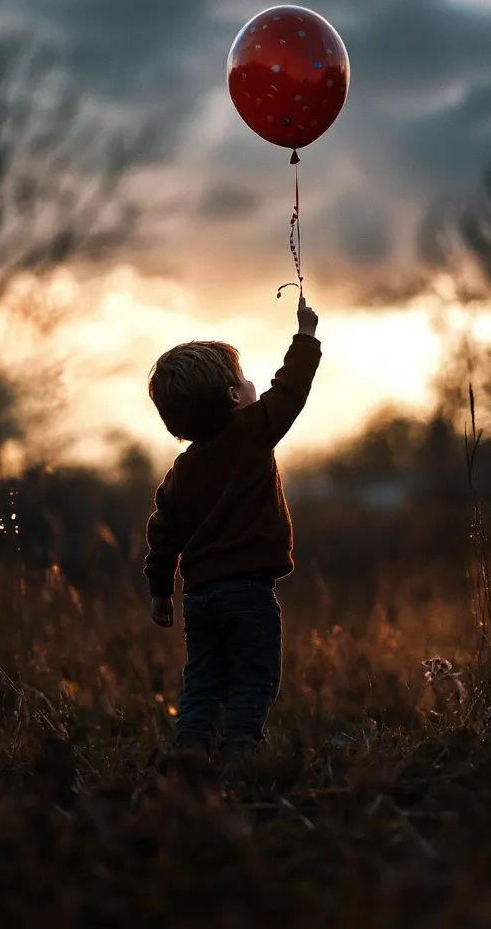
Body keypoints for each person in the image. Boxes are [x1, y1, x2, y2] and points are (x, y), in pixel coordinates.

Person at [144, 296, 321, 759]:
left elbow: (162, 537)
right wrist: (305, 336)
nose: (253, 384)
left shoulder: (179, 474)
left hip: (200, 599)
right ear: (233, 398)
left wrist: (161, 591)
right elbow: (291, 390)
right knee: (254, 678)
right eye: (243, 380)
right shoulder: (251, 432)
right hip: (248, 594)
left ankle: (191, 753)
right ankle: (240, 753)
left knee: (202, 681)